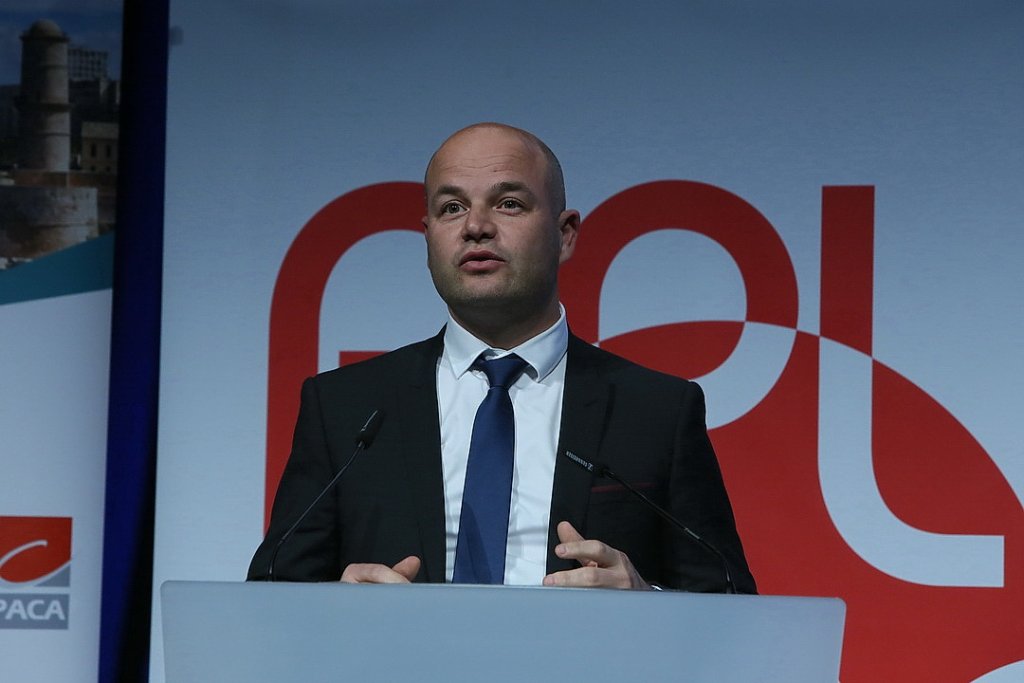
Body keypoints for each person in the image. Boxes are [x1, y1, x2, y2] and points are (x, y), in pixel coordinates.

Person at [248, 123, 755, 592]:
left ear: (565, 234)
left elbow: (731, 605)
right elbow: (271, 595)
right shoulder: (345, 407)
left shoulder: (657, 410)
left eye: (508, 203)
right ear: (427, 238)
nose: (475, 227)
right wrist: (330, 607)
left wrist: (649, 599)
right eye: (451, 208)